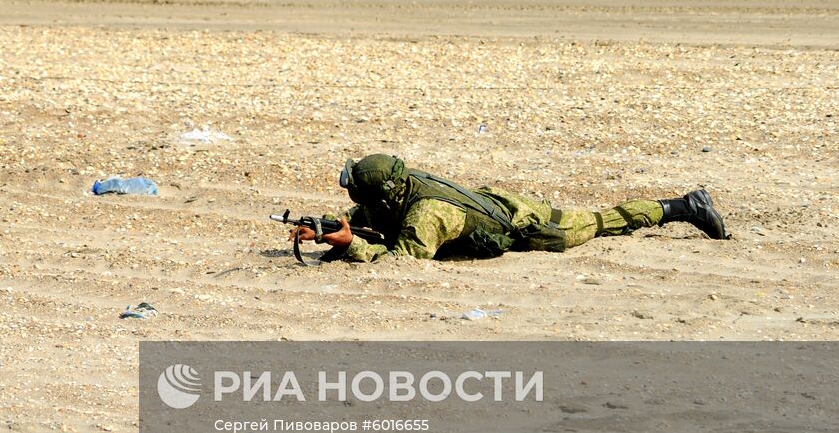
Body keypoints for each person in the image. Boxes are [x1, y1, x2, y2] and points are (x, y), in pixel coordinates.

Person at [290, 154, 727, 263]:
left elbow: (407, 256)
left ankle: (684, 206)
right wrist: (327, 229)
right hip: (501, 203)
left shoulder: (427, 215)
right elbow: (372, 221)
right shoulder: (404, 185)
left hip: (527, 225)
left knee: (600, 222)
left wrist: (351, 246)